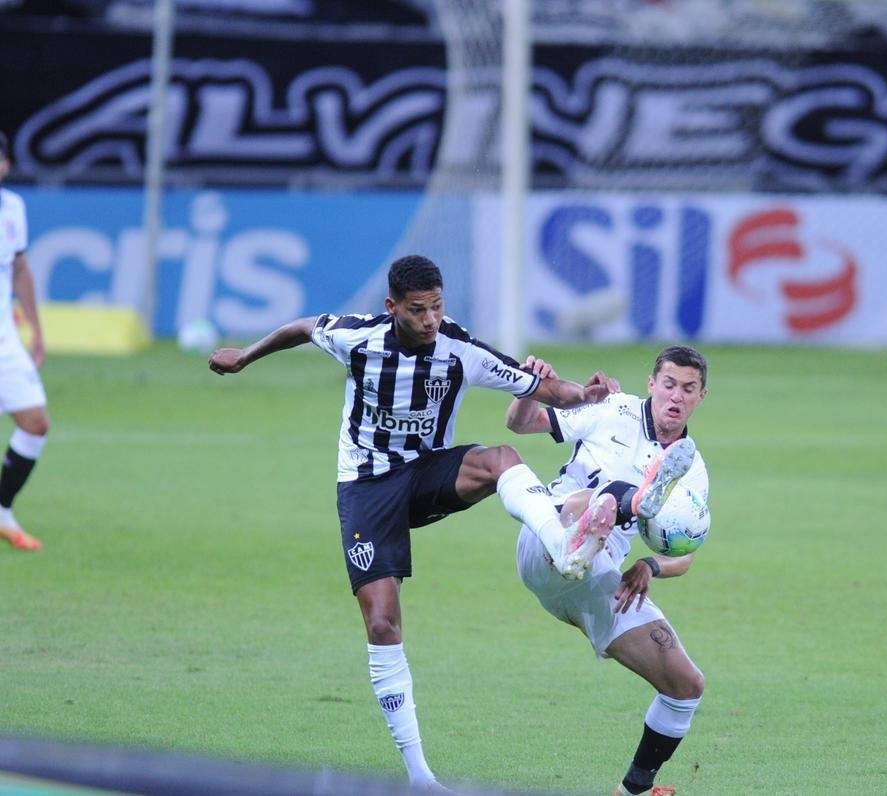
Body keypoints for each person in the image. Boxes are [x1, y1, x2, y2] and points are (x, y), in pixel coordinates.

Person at [208, 255, 621, 793]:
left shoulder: (459, 349)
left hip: (426, 474)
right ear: (392, 307)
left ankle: (563, 545)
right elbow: (302, 328)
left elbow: (542, 390)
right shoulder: (358, 337)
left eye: (437, 307)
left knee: (500, 459)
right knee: (382, 623)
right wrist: (244, 356)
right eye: (418, 310)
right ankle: (420, 778)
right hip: (367, 488)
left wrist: (584, 394)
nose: (429, 320)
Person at [506, 345, 710, 796]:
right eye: (669, 384)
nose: (676, 396)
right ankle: (617, 503)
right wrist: (528, 386)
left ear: (701, 396)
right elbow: (521, 423)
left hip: (594, 579)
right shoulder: (612, 408)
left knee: (686, 685)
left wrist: (650, 564)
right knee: (592, 500)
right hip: (549, 534)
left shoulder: (692, 469)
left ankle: (633, 790)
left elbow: (688, 551)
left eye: (688, 389)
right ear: (652, 384)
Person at [0, 131, 49, 552]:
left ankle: (2, 512)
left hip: (4, 342)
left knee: (36, 424)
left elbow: (19, 271)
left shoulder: (13, 207)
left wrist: (36, 330)